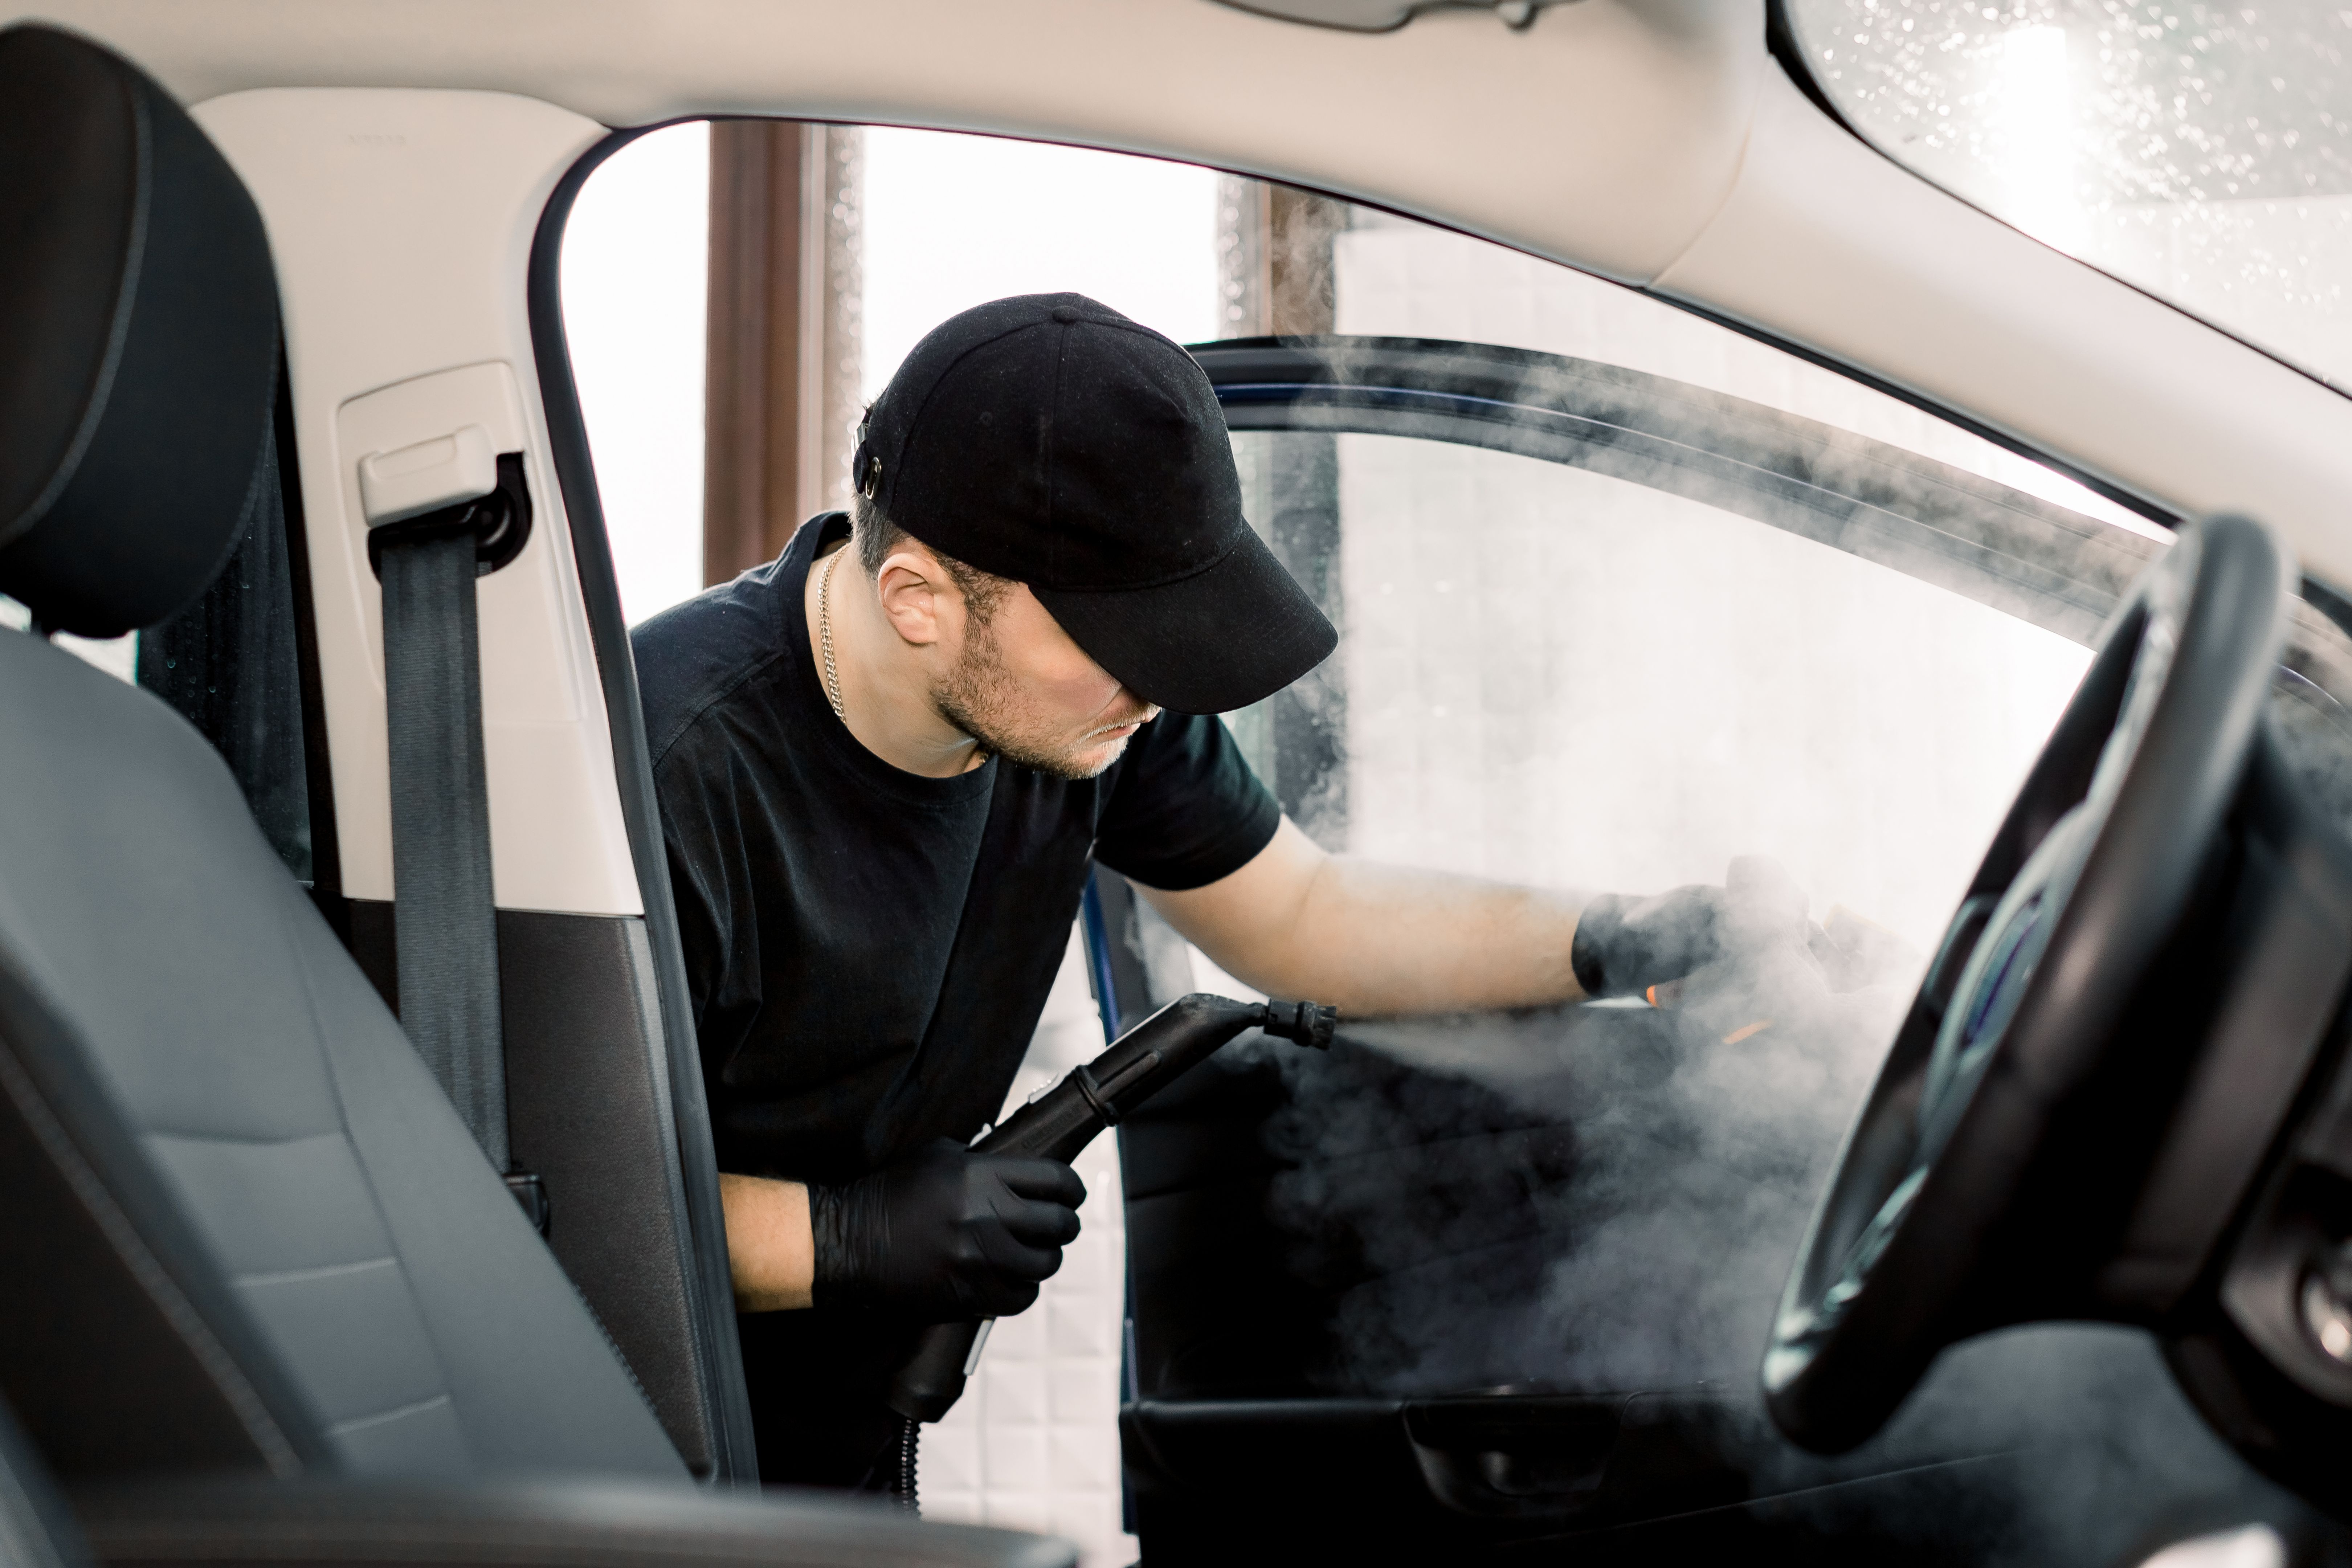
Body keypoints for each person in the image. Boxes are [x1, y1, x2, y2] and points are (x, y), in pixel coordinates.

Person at [630, 293, 1768, 1486]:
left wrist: (1620, 938)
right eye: (1120, 642)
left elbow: (1305, 916)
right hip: (639, 1445)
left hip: (848, 1442)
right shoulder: (662, 769)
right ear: (919, 600)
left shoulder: (1089, 715)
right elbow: (535, 1194)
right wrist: (839, 1238)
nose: (1156, 689)